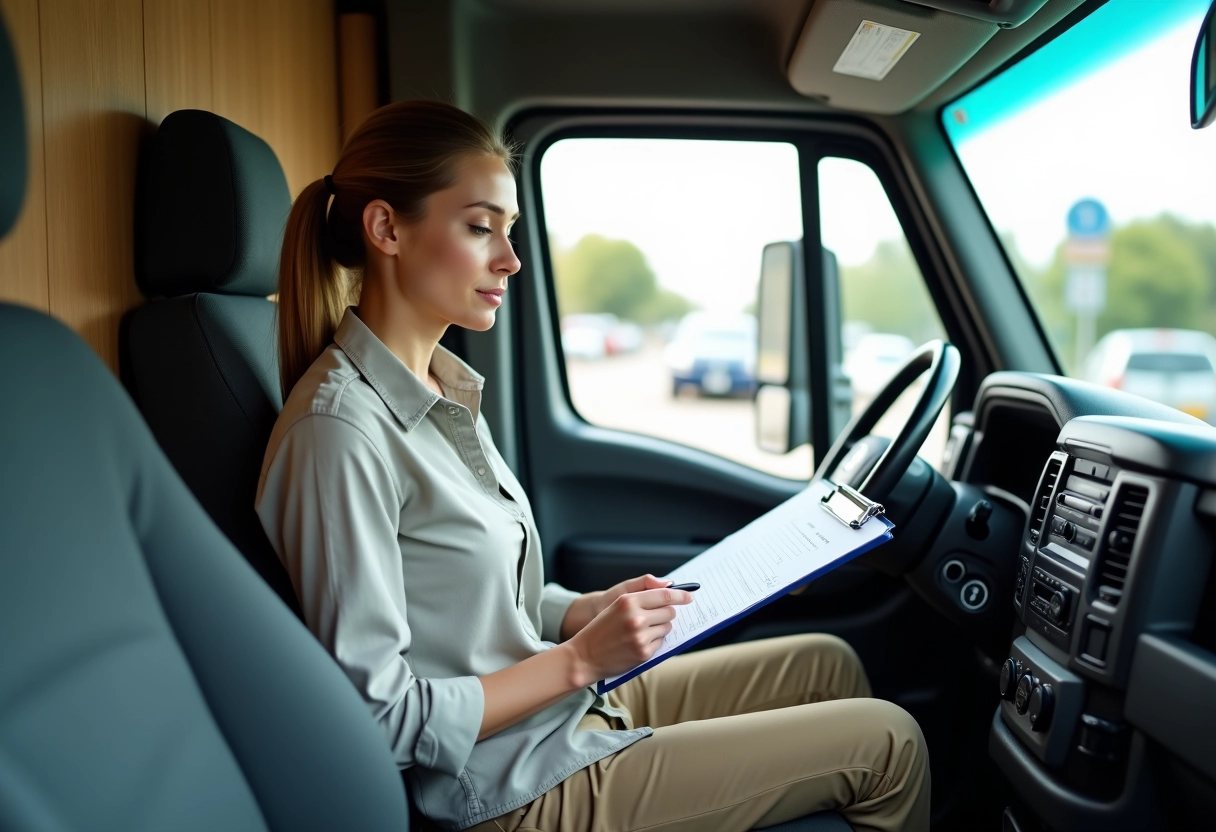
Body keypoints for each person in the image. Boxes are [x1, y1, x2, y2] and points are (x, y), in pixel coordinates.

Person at [255, 99, 929, 832]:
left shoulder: (441, 389)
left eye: (509, 231)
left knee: (824, 664)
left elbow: (466, 605)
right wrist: (578, 659)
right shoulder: (339, 433)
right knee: (888, 744)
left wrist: (581, 611)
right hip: (503, 786)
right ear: (386, 228)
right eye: (481, 228)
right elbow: (376, 716)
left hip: (554, 718)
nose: (511, 259)